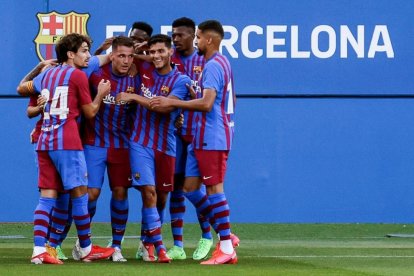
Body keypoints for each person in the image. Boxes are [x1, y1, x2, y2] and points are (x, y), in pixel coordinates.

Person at [17, 33, 114, 264]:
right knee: (80, 195)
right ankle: (87, 248)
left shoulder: (46, 75)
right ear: (70, 54)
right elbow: (90, 112)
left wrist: (39, 66)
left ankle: (39, 251)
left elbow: (22, 88)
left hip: (45, 143)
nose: (88, 56)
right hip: (68, 142)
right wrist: (100, 94)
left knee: (47, 197)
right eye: (84, 51)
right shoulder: (77, 75)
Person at [149, 20, 238, 265]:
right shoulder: (221, 62)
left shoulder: (212, 66)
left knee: (214, 189)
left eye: (198, 37)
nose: (196, 41)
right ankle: (227, 235)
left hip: (212, 136)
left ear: (208, 39)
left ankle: (226, 246)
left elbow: (207, 104)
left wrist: (173, 103)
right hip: (202, 136)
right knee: (189, 187)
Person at [116, 34, 191, 263]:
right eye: (152, 52)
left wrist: (133, 97)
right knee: (149, 193)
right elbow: (120, 56)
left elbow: (163, 107)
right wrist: (137, 50)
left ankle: (147, 241)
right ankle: (158, 248)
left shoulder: (181, 80)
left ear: (170, 53)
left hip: (166, 147)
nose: (156, 56)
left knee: (161, 199)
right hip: (140, 143)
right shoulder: (144, 67)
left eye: (161, 51)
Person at [83, 36, 140, 262]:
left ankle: (116, 246)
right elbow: (84, 64)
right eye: (121, 56)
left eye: (130, 56)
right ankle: (84, 242)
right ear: (112, 56)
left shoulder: (135, 82)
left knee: (120, 192)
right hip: (94, 143)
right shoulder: (97, 75)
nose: (126, 61)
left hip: (121, 146)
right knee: (91, 194)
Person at [166, 17, 213, 261]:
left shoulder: (205, 61)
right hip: (174, 136)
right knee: (175, 188)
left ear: (193, 35)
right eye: (173, 35)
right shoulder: (168, 58)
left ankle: (207, 235)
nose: (176, 40)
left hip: (197, 135)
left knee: (194, 189)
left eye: (180, 35)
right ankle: (178, 245)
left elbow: (211, 99)